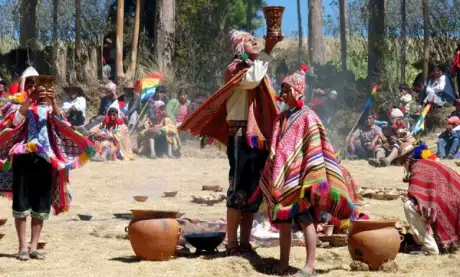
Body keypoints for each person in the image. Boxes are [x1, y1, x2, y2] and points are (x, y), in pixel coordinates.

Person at [178, 29, 281, 256]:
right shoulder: (235, 69)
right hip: (241, 135)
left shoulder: (258, 70)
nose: (255, 41)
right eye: (248, 40)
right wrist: (269, 49)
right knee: (237, 190)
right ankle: (232, 243)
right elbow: (251, 81)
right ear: (238, 48)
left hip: (259, 138)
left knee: (254, 191)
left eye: (255, 39)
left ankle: (245, 243)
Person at [259, 67, 357, 275]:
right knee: (284, 221)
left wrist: (308, 173)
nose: (283, 94)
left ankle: (310, 265)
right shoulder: (281, 117)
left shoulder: (308, 116)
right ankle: (284, 263)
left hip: (301, 177)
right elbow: (277, 143)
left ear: (298, 91)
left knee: (305, 220)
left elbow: (315, 145)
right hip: (283, 177)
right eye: (282, 90)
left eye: (287, 90)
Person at [0, 77, 93, 261]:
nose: (36, 88)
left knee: (40, 204)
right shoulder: (17, 105)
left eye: (40, 85)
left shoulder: (51, 108)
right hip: (23, 157)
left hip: (46, 160)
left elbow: (63, 123)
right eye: (31, 85)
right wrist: (30, 100)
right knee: (21, 203)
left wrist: (53, 102)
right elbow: (15, 121)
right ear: (26, 87)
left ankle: (34, 246)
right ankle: (22, 247)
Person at [397, 141, 460, 255]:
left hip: (451, 204)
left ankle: (430, 247)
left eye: (403, 163)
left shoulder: (418, 167)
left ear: (407, 160)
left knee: (409, 205)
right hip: (456, 202)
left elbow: (419, 197)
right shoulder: (429, 163)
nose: (403, 167)